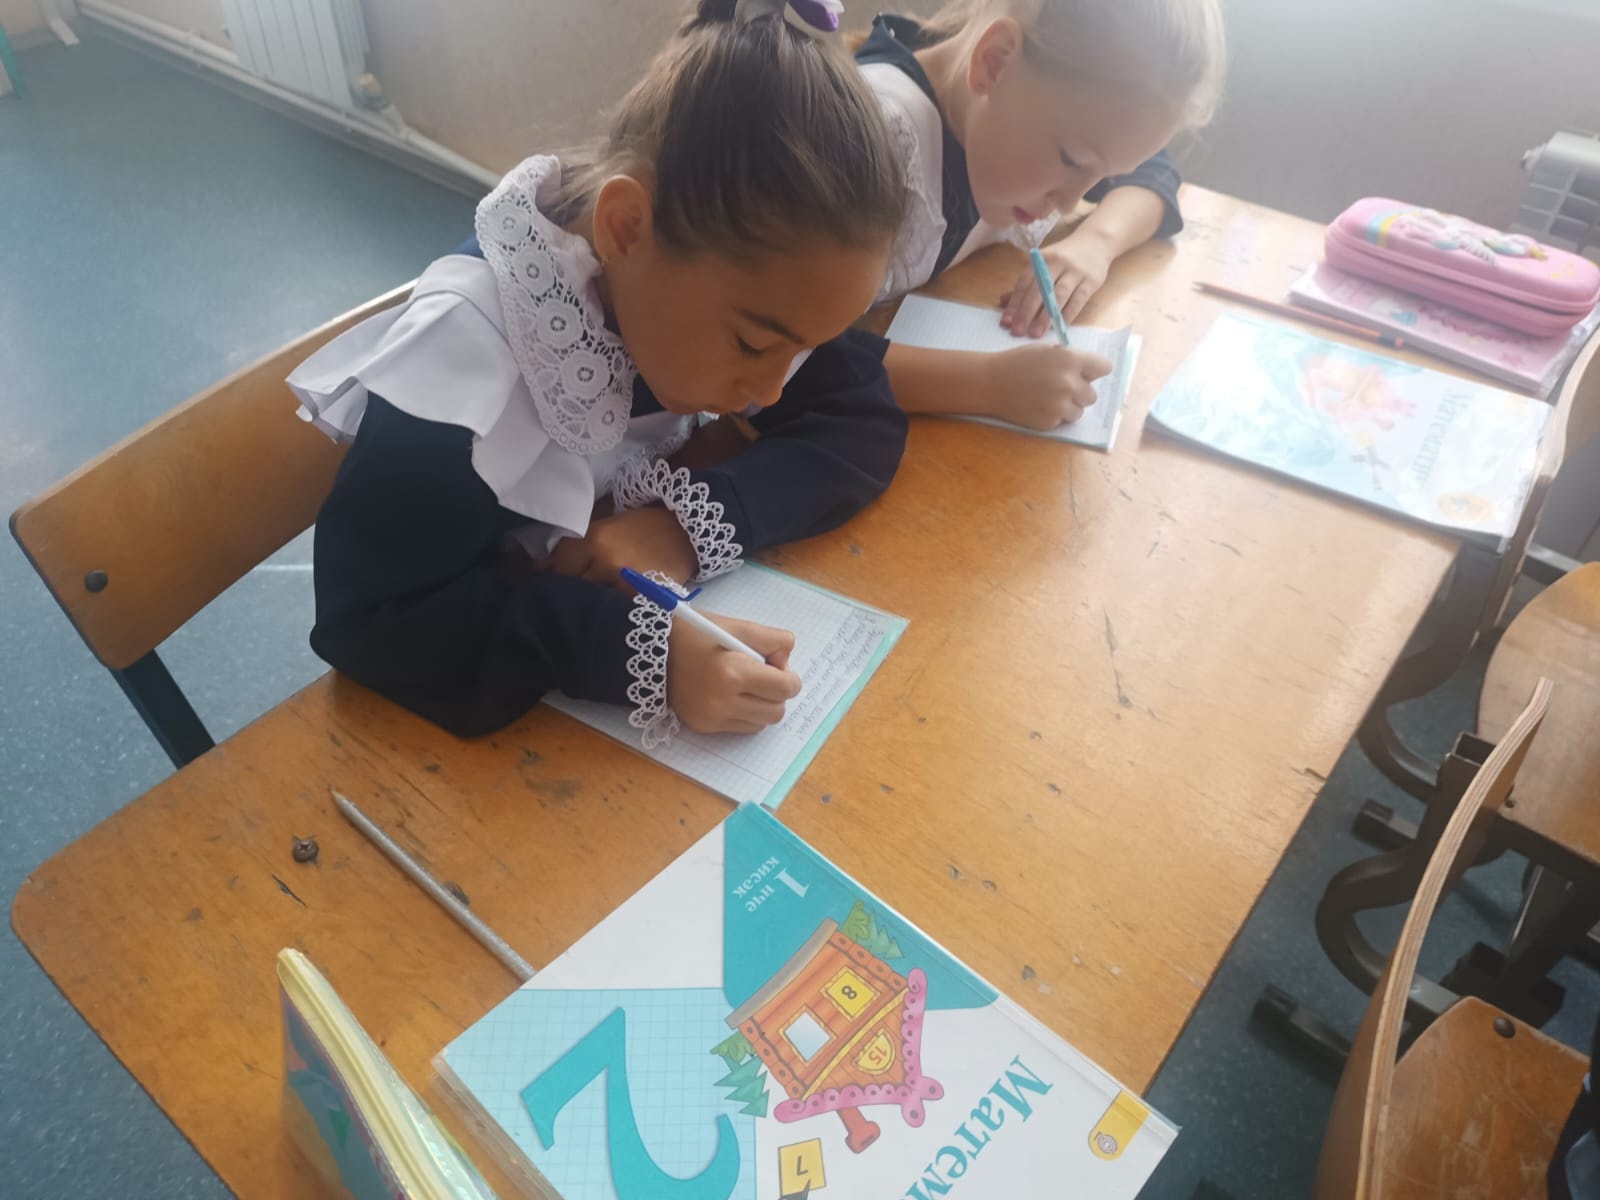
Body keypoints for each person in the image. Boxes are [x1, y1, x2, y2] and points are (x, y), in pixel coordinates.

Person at [289, 0, 907, 745]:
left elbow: (861, 413)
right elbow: (377, 621)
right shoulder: (461, 365)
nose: (774, 388)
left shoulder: (728, 282)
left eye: (806, 350)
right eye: (753, 345)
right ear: (625, 228)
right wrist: (643, 654)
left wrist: (681, 528)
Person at [859, 0, 1226, 430]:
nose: (1071, 203)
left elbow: (1154, 174)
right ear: (995, 63)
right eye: (1073, 160)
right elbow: (799, 357)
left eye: (1104, 174)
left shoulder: (1053, 109)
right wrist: (988, 384)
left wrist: (1096, 244)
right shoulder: (871, 147)